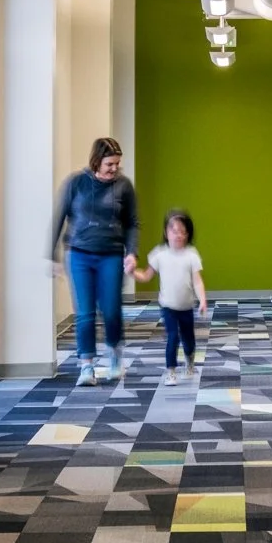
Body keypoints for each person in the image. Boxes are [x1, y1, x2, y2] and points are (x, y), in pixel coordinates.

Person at [51, 136, 139, 383]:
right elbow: (59, 217)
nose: (114, 168)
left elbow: (132, 223)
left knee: (111, 309)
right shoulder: (76, 183)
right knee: (85, 312)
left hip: (110, 254)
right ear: (96, 161)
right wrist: (53, 255)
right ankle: (86, 365)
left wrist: (131, 253)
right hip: (78, 254)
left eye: (117, 164)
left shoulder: (123, 186)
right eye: (110, 163)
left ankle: (114, 354)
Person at [136, 210, 208, 381]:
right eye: (174, 231)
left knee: (188, 339)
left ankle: (189, 361)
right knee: (173, 336)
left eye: (182, 231)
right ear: (166, 233)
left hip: (186, 306)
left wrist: (203, 300)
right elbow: (146, 275)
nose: (178, 235)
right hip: (168, 306)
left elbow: (197, 281)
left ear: (187, 234)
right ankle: (171, 371)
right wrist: (132, 272)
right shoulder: (159, 254)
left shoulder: (191, 255)